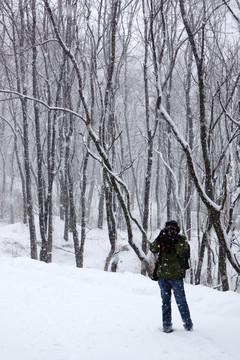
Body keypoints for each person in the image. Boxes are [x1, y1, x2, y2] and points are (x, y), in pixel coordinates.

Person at [150, 220, 193, 333]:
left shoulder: (181, 239)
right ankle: (166, 325)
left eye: (172, 230)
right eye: (168, 229)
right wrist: (159, 238)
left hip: (176, 276)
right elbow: (153, 249)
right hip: (163, 276)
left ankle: (188, 325)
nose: (170, 232)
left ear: (176, 230)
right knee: (165, 302)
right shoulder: (162, 238)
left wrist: (175, 240)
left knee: (181, 301)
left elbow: (182, 252)